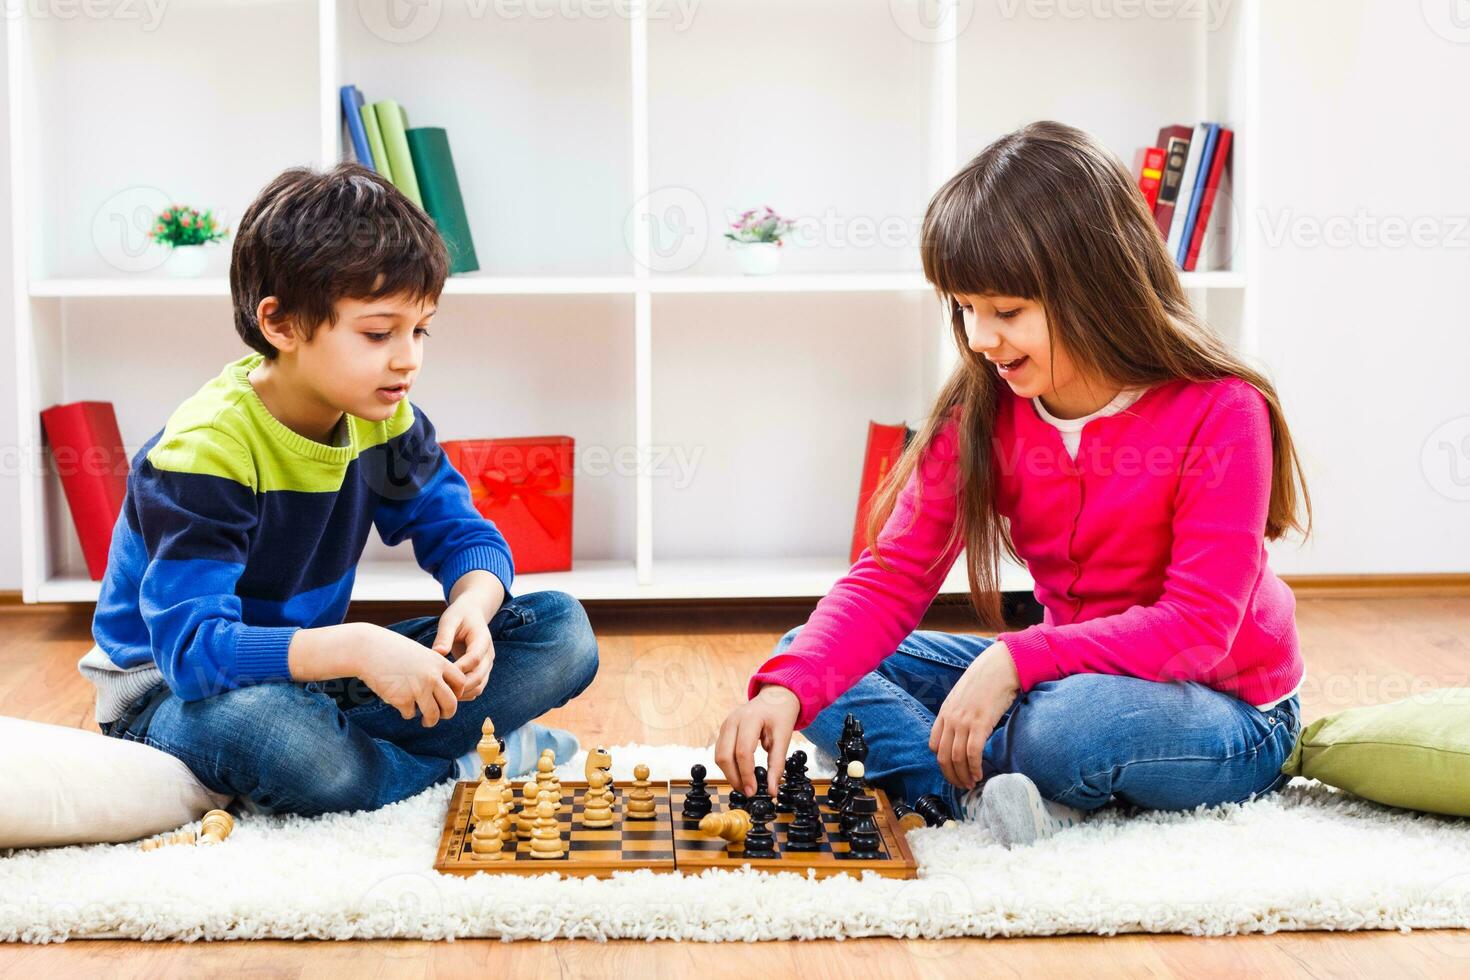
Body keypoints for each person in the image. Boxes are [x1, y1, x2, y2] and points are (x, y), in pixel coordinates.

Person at [714, 121, 1310, 847]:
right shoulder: (983, 410)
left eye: (1007, 312)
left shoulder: (1220, 411)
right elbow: (893, 576)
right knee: (810, 655)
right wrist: (788, 686)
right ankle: (972, 797)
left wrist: (1013, 660)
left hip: (1224, 709)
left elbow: (1197, 629)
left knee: (1068, 729)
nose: (980, 339)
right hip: (1062, 674)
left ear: (1096, 287)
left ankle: (996, 771)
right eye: (965, 309)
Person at [80, 163, 598, 817]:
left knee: (561, 629)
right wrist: (358, 646)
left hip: (309, 676)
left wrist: (474, 602)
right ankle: (463, 763)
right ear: (283, 324)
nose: (408, 358)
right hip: (171, 694)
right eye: (379, 334)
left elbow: (461, 531)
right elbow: (193, 652)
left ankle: (363, 759)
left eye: (420, 330)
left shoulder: (381, 415)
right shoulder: (204, 450)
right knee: (279, 736)